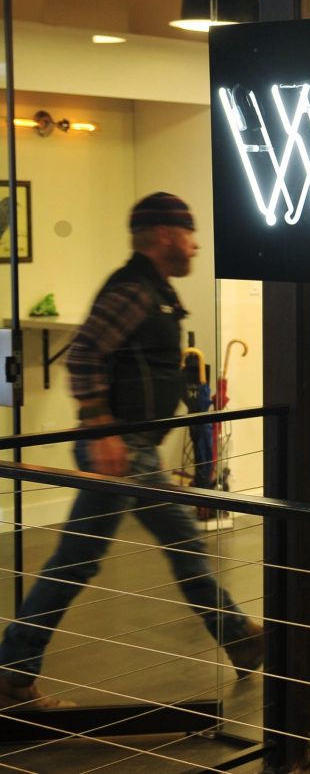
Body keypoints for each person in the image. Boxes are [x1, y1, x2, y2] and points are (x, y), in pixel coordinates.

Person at [0, 193, 264, 709]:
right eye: (189, 234)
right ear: (166, 235)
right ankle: (13, 669)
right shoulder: (134, 291)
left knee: (178, 544)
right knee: (78, 560)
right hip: (117, 450)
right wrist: (103, 430)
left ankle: (238, 636)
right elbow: (82, 354)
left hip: (132, 447)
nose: (195, 244)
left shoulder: (152, 290)